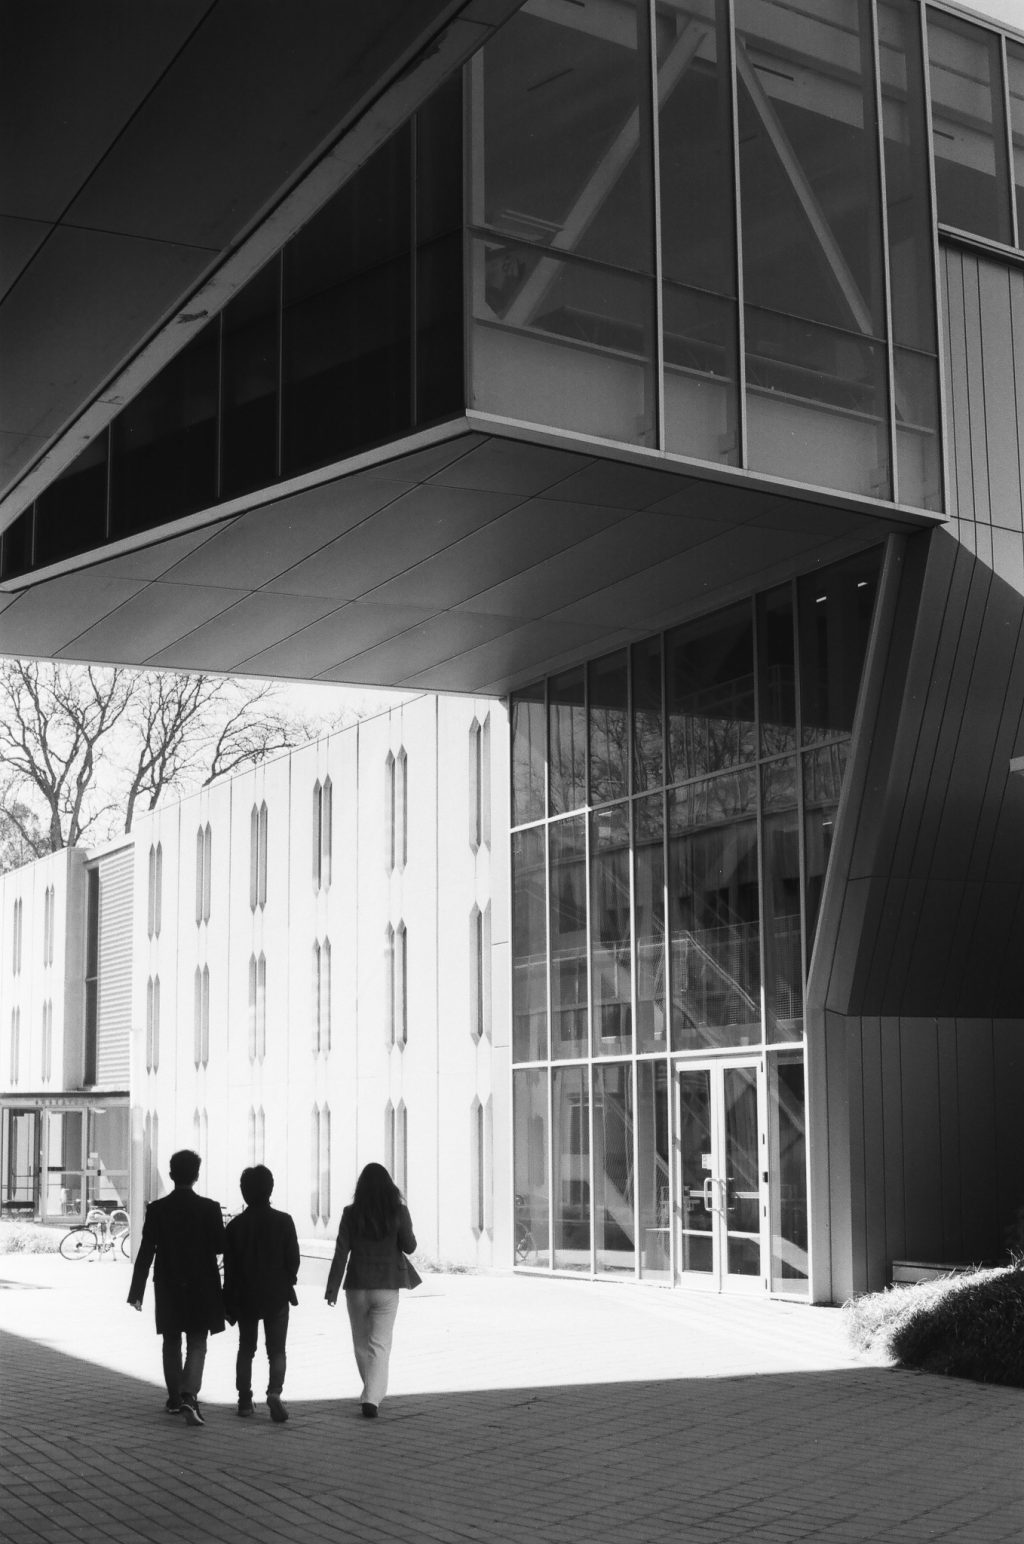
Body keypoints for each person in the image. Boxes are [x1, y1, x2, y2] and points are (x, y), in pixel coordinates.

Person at [127, 1149, 225, 1427]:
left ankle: (174, 1398)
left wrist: (136, 1292)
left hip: (168, 1283)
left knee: (171, 1341)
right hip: (202, 1283)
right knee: (197, 1340)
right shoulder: (209, 1208)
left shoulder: (157, 1209)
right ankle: (189, 1395)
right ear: (196, 1175)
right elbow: (220, 1245)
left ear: (171, 1175)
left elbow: (146, 1252)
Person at [325, 1163, 420, 1418]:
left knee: (360, 1343)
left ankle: (371, 1391)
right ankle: (372, 1397)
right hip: (387, 1285)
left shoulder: (350, 1213)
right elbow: (410, 1246)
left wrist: (332, 1288)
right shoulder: (398, 1211)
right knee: (380, 1343)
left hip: (356, 1286)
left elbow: (341, 1252)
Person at [222, 1164, 300, 1424]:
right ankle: (275, 1392)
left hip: (245, 1295)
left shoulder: (234, 1227)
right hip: (276, 1294)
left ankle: (245, 1400)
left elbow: (230, 1269)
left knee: (246, 1348)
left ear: (244, 1192)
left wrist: (229, 1299)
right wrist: (287, 1280)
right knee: (276, 1350)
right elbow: (293, 1260)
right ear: (271, 1189)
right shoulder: (284, 1221)